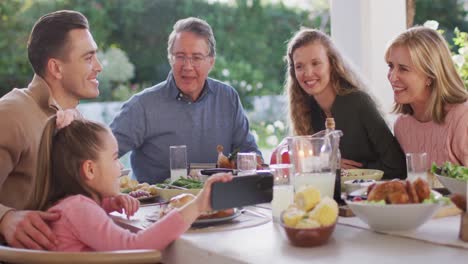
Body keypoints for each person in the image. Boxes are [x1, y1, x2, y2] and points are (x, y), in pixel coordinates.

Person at [28, 116, 233, 251]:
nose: (119, 167)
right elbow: (137, 245)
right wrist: (197, 206)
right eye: (115, 158)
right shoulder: (79, 209)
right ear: (90, 169)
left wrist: (109, 203)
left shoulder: (72, 206)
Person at [110, 17, 261, 183]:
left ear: (211, 62)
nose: (187, 66)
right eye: (180, 56)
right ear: (170, 58)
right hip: (159, 207)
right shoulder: (142, 106)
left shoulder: (227, 98)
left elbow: (250, 156)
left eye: (196, 57)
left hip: (220, 204)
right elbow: (99, 156)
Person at [0, 10, 102, 249]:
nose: (99, 67)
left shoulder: (73, 118)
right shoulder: (11, 114)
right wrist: (4, 218)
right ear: (56, 68)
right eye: (88, 58)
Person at [284, 28, 406, 179]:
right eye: (299, 66)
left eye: (316, 63)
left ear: (332, 64)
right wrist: (326, 166)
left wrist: (348, 172)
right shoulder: (305, 110)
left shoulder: (359, 102)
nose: (307, 73)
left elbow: (397, 166)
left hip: (371, 196)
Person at [386, 26, 468, 166]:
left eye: (403, 69)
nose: (392, 77)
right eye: (390, 66)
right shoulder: (402, 125)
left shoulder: (462, 118)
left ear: (430, 75)